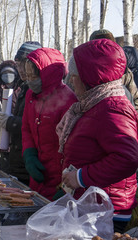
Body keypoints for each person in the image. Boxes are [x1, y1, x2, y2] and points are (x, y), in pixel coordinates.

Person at [57, 39, 138, 233]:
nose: (71, 81)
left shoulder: (112, 109)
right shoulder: (93, 104)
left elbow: (127, 158)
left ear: (89, 77)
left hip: (106, 210)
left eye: (75, 75)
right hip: (91, 202)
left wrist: (80, 177)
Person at [21, 48, 77, 201]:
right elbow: (26, 128)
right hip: (37, 175)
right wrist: (29, 154)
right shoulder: (30, 96)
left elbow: (75, 147)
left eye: (34, 76)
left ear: (47, 74)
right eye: (28, 76)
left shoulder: (68, 100)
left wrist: (67, 188)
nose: (30, 80)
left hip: (60, 179)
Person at [0, 41, 42, 185]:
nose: (21, 69)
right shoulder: (23, 87)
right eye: (18, 64)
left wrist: (10, 122)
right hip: (17, 157)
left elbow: (36, 124)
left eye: (25, 64)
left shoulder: (37, 89)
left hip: (31, 162)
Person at [89, 29, 138, 111]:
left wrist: (132, 118)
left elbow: (135, 98)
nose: (103, 50)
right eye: (98, 46)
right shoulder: (83, 69)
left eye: (107, 46)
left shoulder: (124, 70)